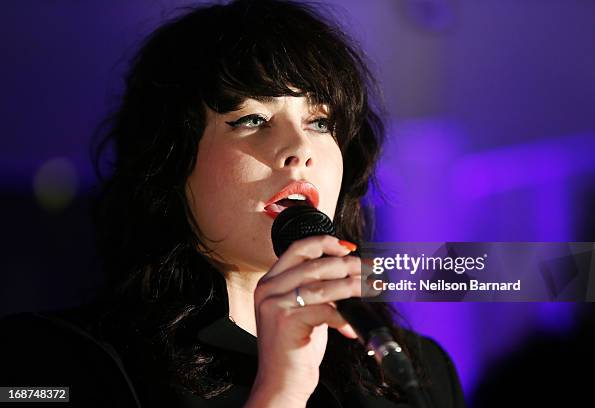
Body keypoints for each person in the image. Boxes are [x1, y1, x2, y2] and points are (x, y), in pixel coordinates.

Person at [0, 1, 465, 407]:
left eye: (321, 122)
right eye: (252, 119)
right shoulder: (57, 359)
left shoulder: (415, 369)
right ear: (169, 163)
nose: (299, 147)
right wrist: (280, 391)